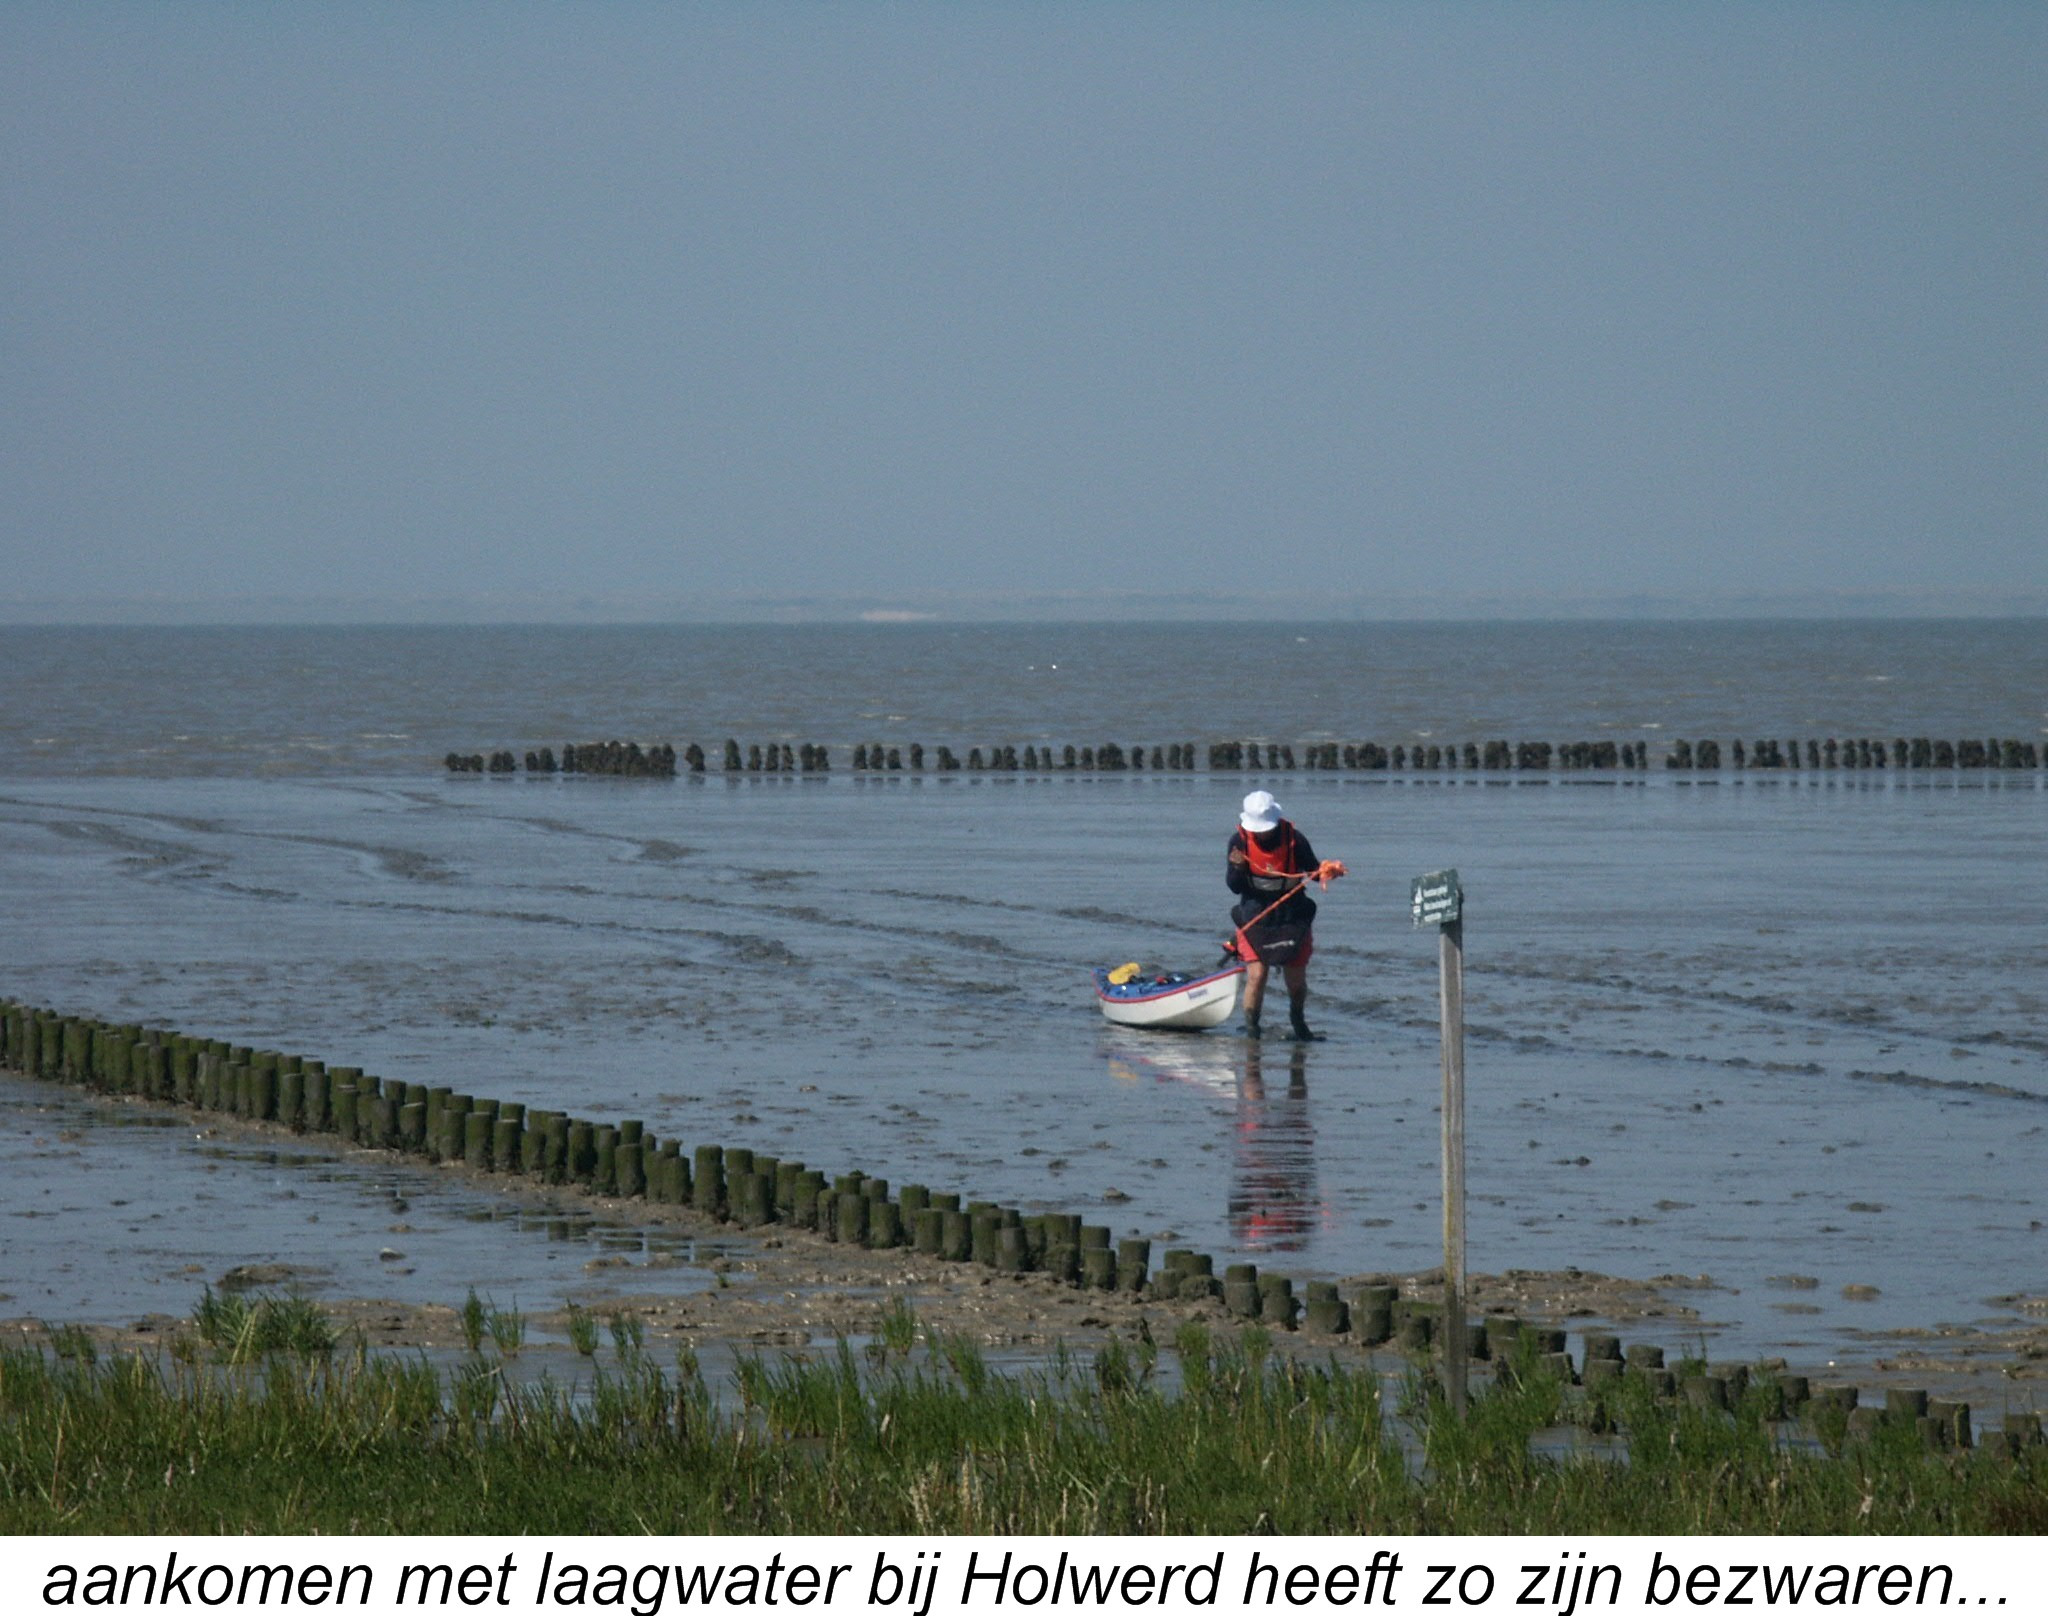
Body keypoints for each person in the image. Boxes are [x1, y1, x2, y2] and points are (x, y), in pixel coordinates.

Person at [1226, 790, 1345, 1040]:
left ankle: (1298, 1023)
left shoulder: (1295, 839)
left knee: (1296, 980)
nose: (1262, 834)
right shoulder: (1238, 842)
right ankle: (1252, 1029)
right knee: (1257, 975)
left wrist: (1327, 871)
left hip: (1292, 915)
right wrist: (1237, 867)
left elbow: (1313, 871)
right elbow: (1234, 886)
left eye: (1266, 829)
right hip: (1254, 914)